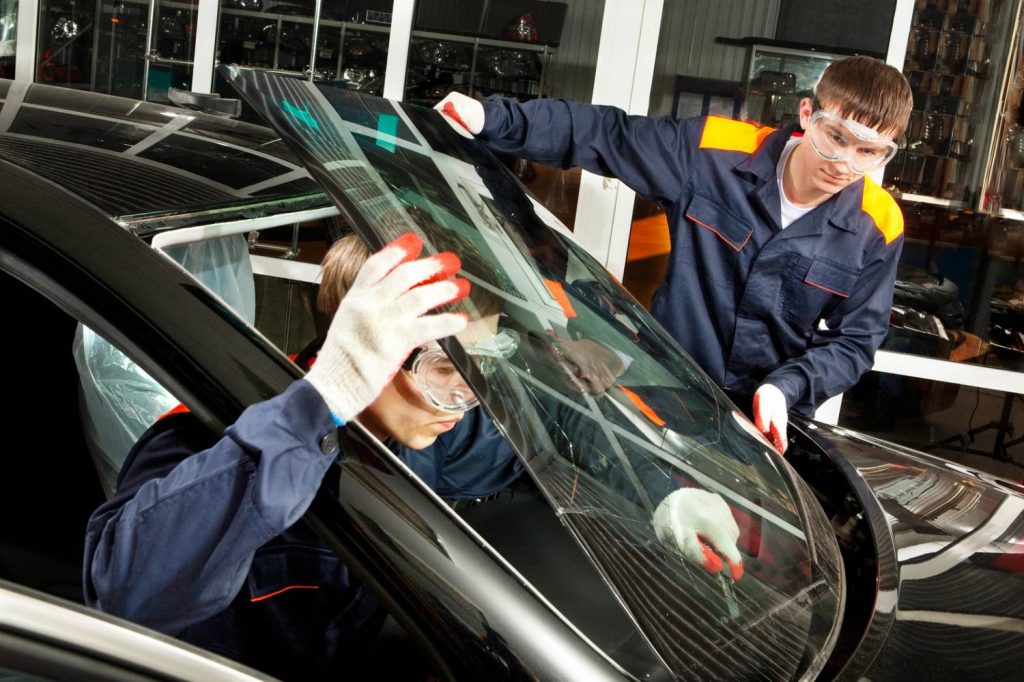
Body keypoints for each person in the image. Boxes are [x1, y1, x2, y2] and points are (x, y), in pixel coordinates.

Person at [84, 231, 740, 680]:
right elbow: (126, 592)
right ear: (368, 343)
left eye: (480, 368)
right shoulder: (211, 435)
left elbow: (556, 420)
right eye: (441, 367)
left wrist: (665, 490)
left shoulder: (421, 425)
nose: (463, 400)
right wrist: (323, 402)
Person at [435, 55, 913, 455]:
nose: (845, 164)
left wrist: (784, 389)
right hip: (667, 394)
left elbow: (855, 342)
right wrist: (494, 119)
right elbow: (608, 135)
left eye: (870, 152)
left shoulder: (878, 225)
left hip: (765, 428)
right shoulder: (712, 152)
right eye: (837, 137)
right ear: (808, 114)